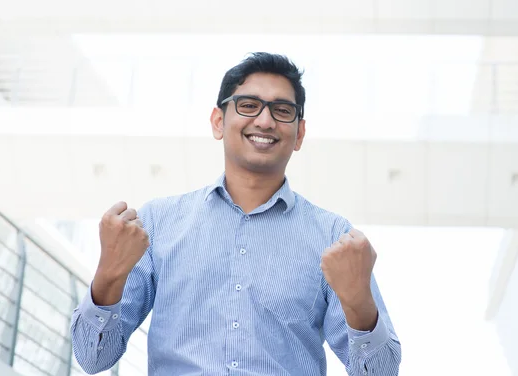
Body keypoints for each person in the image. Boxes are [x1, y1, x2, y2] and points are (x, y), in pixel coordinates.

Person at [71, 52, 401, 375]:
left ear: (299, 133)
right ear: (218, 121)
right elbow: (93, 357)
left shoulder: (332, 237)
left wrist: (358, 301)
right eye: (248, 105)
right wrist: (109, 273)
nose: (265, 120)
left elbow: (380, 372)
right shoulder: (158, 223)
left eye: (282, 110)